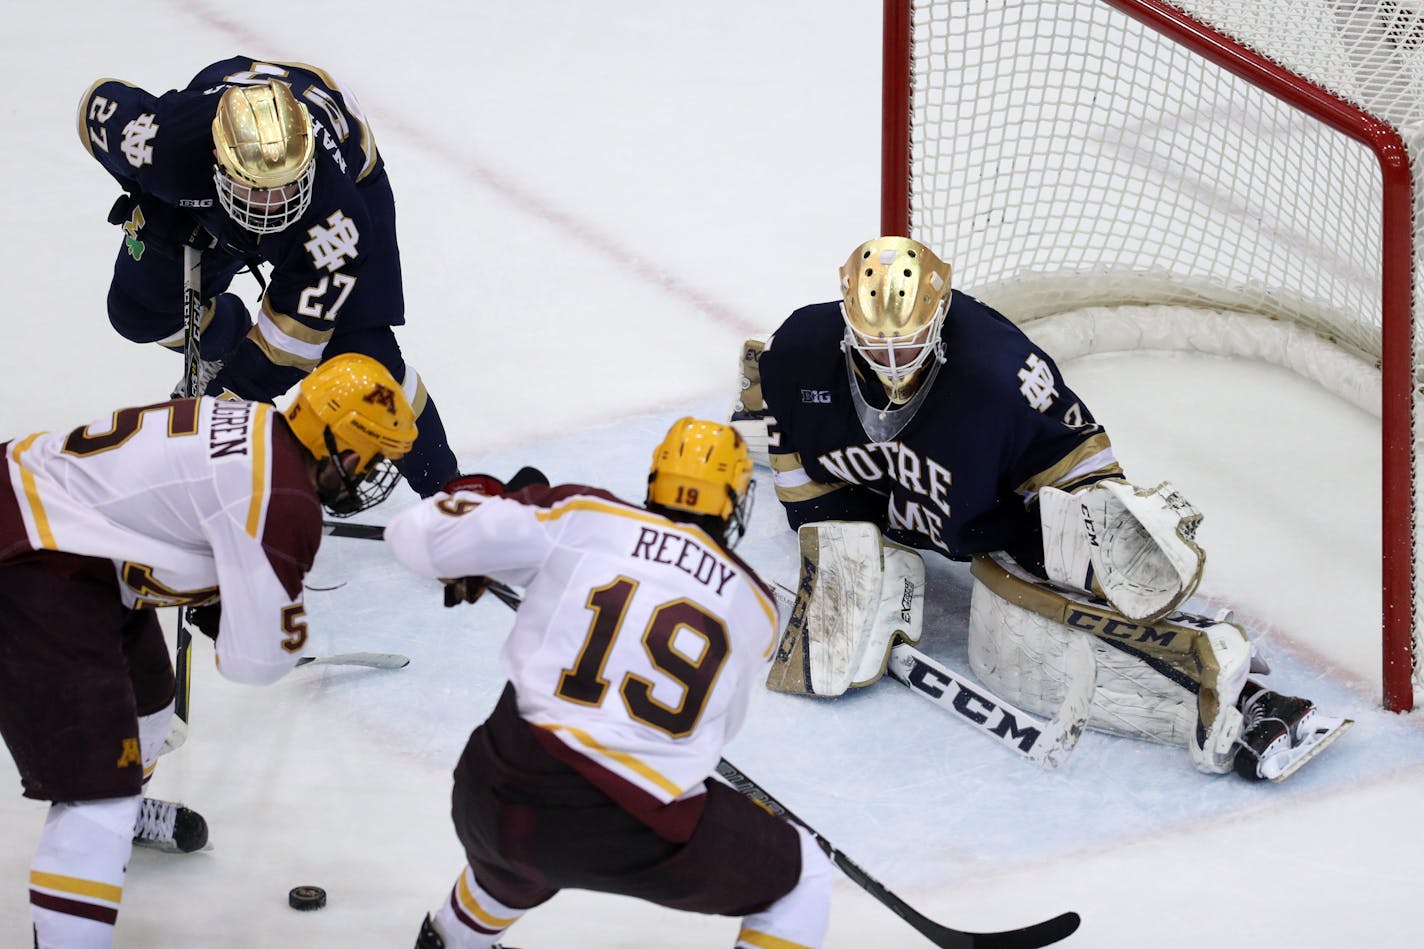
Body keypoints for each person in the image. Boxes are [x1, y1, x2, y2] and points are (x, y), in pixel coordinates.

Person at [730, 236, 1348, 782]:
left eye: (909, 344)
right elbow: (797, 459)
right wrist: (839, 540)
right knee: (795, 467)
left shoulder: (1000, 371)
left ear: (940, 318)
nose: (892, 362)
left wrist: (1096, 529)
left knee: (1015, 655)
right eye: (875, 346)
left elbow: (1077, 454)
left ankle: (1230, 692)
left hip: (992, 513)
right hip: (893, 501)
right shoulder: (801, 353)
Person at [0, 353, 415, 947]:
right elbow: (253, 664)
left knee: (149, 708)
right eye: (374, 456)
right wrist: (247, 607)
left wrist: (226, 589)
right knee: (95, 793)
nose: (374, 473)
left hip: (78, 543)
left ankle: (124, 815)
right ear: (343, 450)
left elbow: (188, 513)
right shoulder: (284, 502)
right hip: (33, 557)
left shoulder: (260, 425)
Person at [385, 418, 833, 949]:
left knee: (515, 857)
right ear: (735, 501)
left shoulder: (585, 515)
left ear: (654, 481)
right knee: (801, 875)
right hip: (617, 825)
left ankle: (452, 940)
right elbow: (713, 735)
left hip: (491, 790)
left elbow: (411, 536)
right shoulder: (758, 607)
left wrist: (482, 503)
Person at [76, 57, 460, 499]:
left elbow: (290, 349)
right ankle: (226, 338)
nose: (273, 206)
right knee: (139, 312)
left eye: (285, 185)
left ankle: (451, 493)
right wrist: (152, 190)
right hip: (206, 186)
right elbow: (97, 105)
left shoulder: (337, 217)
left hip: (346, 179)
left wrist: (225, 402)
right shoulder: (168, 143)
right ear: (218, 161)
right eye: (257, 189)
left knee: (363, 358)